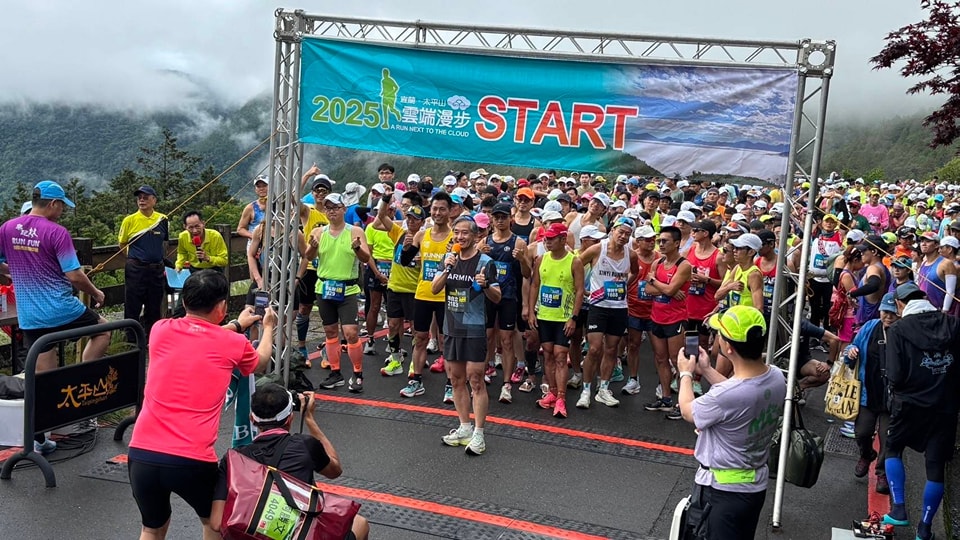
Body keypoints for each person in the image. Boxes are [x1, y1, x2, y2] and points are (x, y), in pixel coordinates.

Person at [127, 270, 276, 540]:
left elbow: (198, 335)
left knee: (152, 527)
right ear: (221, 307)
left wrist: (237, 325)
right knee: (213, 523)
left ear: (184, 301)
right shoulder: (233, 344)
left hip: (142, 453)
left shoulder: (160, 329)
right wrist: (268, 328)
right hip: (192, 459)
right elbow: (260, 361)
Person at [0, 181, 111, 453]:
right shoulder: (56, 232)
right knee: (103, 330)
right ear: (52, 203)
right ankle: (79, 381)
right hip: (61, 308)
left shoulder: (8, 228)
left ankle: (39, 440)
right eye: (62, 206)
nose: (62, 211)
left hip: (30, 314)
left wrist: (12, 272)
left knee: (43, 378)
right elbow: (74, 275)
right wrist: (96, 292)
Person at [675, 305, 786, 540]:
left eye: (720, 335)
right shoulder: (776, 377)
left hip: (721, 491)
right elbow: (739, 393)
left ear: (728, 348)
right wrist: (707, 370)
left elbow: (687, 410)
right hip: (754, 486)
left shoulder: (726, 396)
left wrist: (686, 373)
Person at [209, 385, 369, 540]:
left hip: (252, 533)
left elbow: (216, 523)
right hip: (302, 533)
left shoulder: (234, 459)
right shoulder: (305, 445)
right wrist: (309, 419)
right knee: (360, 524)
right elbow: (335, 470)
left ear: (252, 418)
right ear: (290, 418)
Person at [881, 282, 960, 540]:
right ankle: (925, 529)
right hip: (945, 406)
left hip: (909, 404)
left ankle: (899, 509)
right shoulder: (953, 324)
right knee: (935, 466)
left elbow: (895, 374)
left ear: (900, 304)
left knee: (893, 448)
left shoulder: (898, 330)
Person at [432, 216, 500, 455]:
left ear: (475, 236)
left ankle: (479, 434)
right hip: (451, 327)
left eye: (465, 233)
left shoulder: (485, 262)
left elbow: (497, 297)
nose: (460, 237)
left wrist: (486, 285)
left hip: (474, 328)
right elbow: (434, 288)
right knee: (456, 379)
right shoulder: (448, 259)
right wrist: (446, 268)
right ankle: (464, 427)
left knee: (476, 379)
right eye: (457, 233)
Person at [305, 193, 377, 392]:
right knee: (330, 331)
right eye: (328, 208)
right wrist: (312, 247)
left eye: (336, 207)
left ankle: (358, 373)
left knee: (351, 332)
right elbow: (309, 256)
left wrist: (357, 248)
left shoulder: (355, 231)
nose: (331, 211)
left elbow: (365, 258)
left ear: (344, 209)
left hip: (347, 289)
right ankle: (335, 372)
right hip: (324, 287)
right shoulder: (319, 232)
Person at [577, 216, 639, 409]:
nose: (623, 236)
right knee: (594, 348)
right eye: (621, 232)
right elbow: (577, 264)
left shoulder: (631, 254)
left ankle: (603, 389)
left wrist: (624, 284)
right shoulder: (598, 249)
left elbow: (635, 272)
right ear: (613, 231)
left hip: (619, 307)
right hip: (598, 306)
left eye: (628, 234)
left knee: (612, 349)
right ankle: (586, 390)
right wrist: (582, 289)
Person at [400, 191, 454, 399]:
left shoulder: (454, 237)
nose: (438, 213)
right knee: (420, 338)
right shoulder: (422, 235)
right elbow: (405, 261)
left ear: (450, 211)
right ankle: (416, 380)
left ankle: (451, 385)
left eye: (442, 209)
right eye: (434, 209)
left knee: (445, 340)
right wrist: (406, 248)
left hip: (445, 296)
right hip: (423, 293)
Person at [842, 292, 898, 495]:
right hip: (868, 392)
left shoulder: (902, 332)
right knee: (862, 432)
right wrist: (850, 352)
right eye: (885, 312)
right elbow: (851, 349)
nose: (888, 317)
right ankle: (866, 454)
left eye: (893, 313)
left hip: (892, 397)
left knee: (888, 437)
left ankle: (882, 472)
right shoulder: (869, 327)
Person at [527, 223, 584, 418]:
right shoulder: (541, 259)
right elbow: (535, 285)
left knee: (560, 356)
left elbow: (580, 291)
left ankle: (561, 397)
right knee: (548, 354)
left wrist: (573, 318)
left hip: (563, 317)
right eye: (546, 238)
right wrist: (532, 312)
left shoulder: (574, 261)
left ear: (563, 239)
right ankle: (552, 392)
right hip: (544, 316)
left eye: (551, 238)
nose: (547, 242)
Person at [643, 226, 692, 418]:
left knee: (677, 361)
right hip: (657, 316)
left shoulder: (684, 265)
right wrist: (666, 288)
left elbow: (669, 290)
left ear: (677, 243)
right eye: (659, 241)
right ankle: (665, 399)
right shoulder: (658, 263)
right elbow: (648, 290)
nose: (661, 244)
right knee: (660, 358)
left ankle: (682, 404)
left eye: (665, 241)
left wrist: (655, 282)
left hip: (676, 319)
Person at [485, 202, 530, 404]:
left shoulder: (518, 242)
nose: (500, 221)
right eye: (497, 217)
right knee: (487, 336)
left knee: (506, 340)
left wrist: (522, 259)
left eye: (503, 217)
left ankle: (506, 385)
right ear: (492, 220)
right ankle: (485, 371)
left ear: (510, 219)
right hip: (488, 296)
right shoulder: (486, 241)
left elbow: (527, 273)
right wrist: (480, 252)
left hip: (508, 297)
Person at [118, 185, 168, 341]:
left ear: (154, 200)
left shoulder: (163, 219)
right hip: (136, 269)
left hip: (156, 269)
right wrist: (134, 259)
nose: (141, 200)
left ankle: (151, 341)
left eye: (146, 197)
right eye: (139, 197)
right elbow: (122, 243)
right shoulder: (129, 220)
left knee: (154, 307)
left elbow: (164, 242)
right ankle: (131, 342)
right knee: (132, 306)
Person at [236, 175, 269, 242]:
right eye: (258, 186)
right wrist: (254, 237)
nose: (261, 189)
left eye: (264, 186)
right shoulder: (250, 207)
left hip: (274, 244)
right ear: (255, 189)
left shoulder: (277, 205)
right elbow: (240, 229)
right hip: (254, 245)